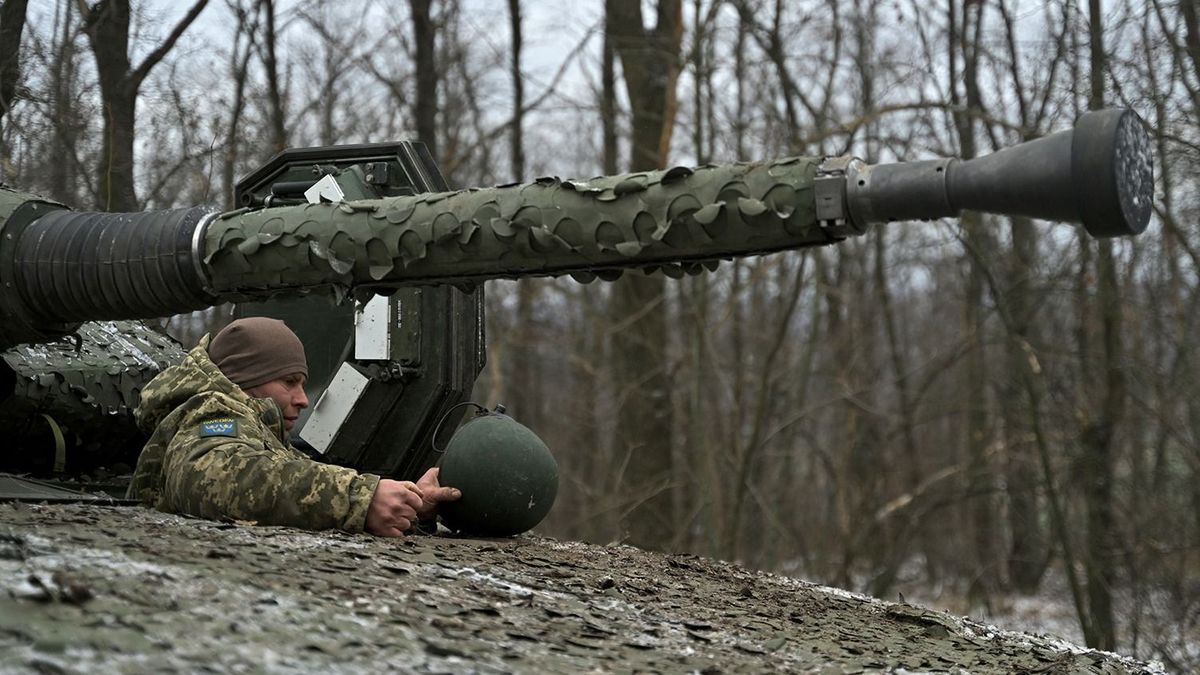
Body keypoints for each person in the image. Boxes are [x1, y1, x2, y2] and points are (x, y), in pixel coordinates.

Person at [127, 317, 459, 536]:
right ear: (244, 378)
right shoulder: (211, 412)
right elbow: (211, 475)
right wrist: (360, 498)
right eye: (289, 382)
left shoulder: (262, 434)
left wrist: (411, 504)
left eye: (303, 384)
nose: (302, 399)